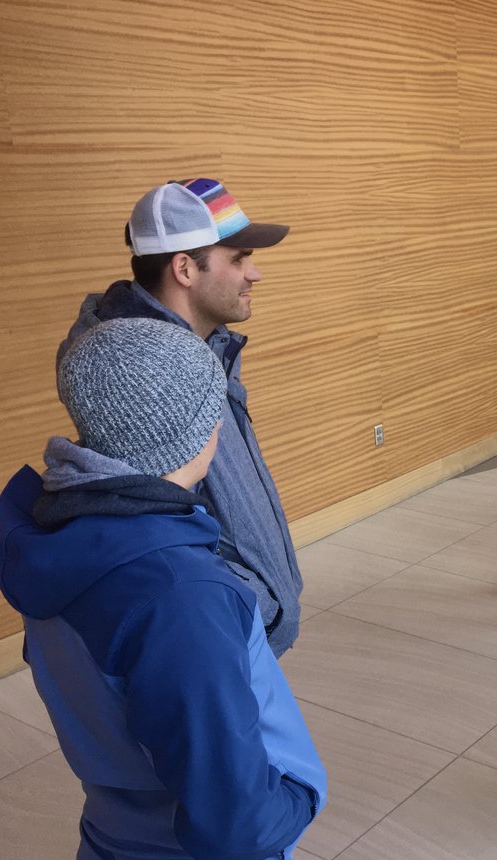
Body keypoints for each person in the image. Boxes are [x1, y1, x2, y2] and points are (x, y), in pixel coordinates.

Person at [0, 317, 327, 860]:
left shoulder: (58, 537)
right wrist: (298, 797)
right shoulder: (178, 595)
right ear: (199, 433)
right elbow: (234, 822)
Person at [57, 178, 303, 657]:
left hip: (239, 630)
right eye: (238, 258)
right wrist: (248, 608)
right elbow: (151, 538)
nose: (255, 274)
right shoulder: (143, 378)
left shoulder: (203, 346)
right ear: (185, 268)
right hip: (216, 641)